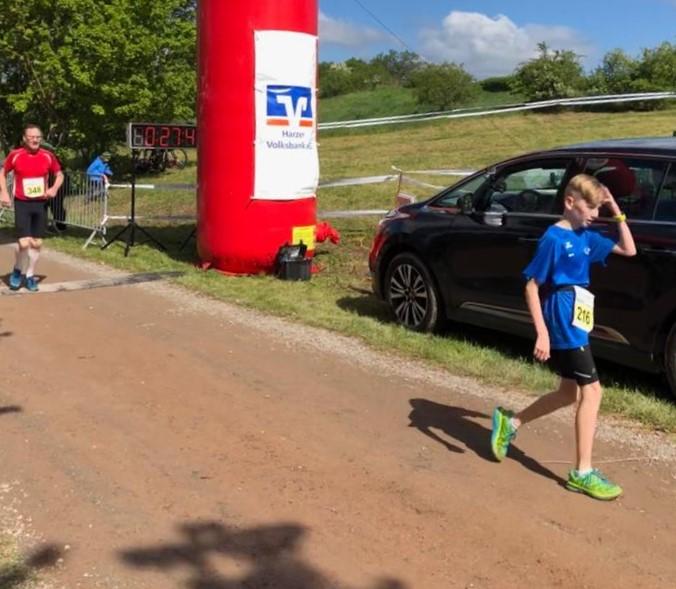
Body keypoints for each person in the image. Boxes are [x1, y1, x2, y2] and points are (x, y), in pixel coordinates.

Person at [490, 173, 636, 501]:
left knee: (569, 392)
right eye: (591, 207)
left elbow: (629, 249)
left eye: (598, 208)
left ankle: (510, 424)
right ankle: (582, 473)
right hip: (561, 312)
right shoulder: (553, 239)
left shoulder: (587, 235)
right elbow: (531, 286)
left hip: (578, 311)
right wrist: (542, 333)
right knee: (593, 391)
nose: (595, 214)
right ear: (570, 202)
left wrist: (615, 208)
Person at [0, 124, 64, 292]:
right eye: (31, 137)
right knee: (23, 243)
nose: (35, 140)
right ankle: (17, 270)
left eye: (38, 137)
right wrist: (4, 193)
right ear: (24, 138)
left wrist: (54, 188)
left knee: (36, 243)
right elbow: (2, 173)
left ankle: (29, 276)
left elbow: (59, 175)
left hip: (40, 203)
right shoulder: (15, 155)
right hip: (22, 202)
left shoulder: (47, 156)